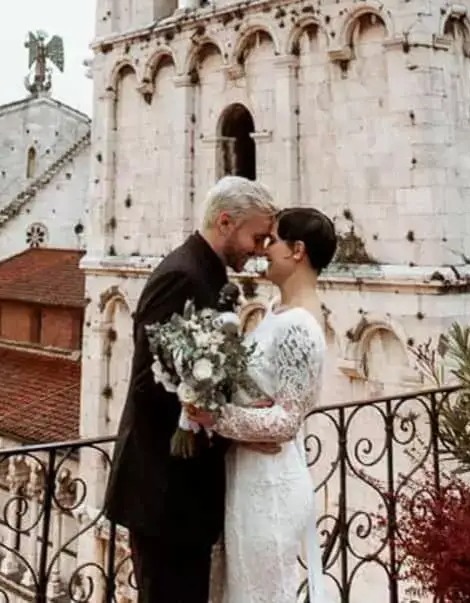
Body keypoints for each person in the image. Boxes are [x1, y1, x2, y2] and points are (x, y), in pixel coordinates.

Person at [103, 176, 277, 603]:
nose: (259, 249)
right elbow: (150, 386)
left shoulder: (207, 274)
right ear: (224, 222)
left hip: (184, 492)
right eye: (257, 236)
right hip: (164, 490)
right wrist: (209, 413)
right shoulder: (182, 275)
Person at [193, 206, 337, 603]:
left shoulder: (300, 326)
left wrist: (216, 417)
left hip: (270, 484)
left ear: (298, 251)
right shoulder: (276, 312)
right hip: (248, 474)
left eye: (272, 240)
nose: (264, 249)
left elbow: (287, 421)